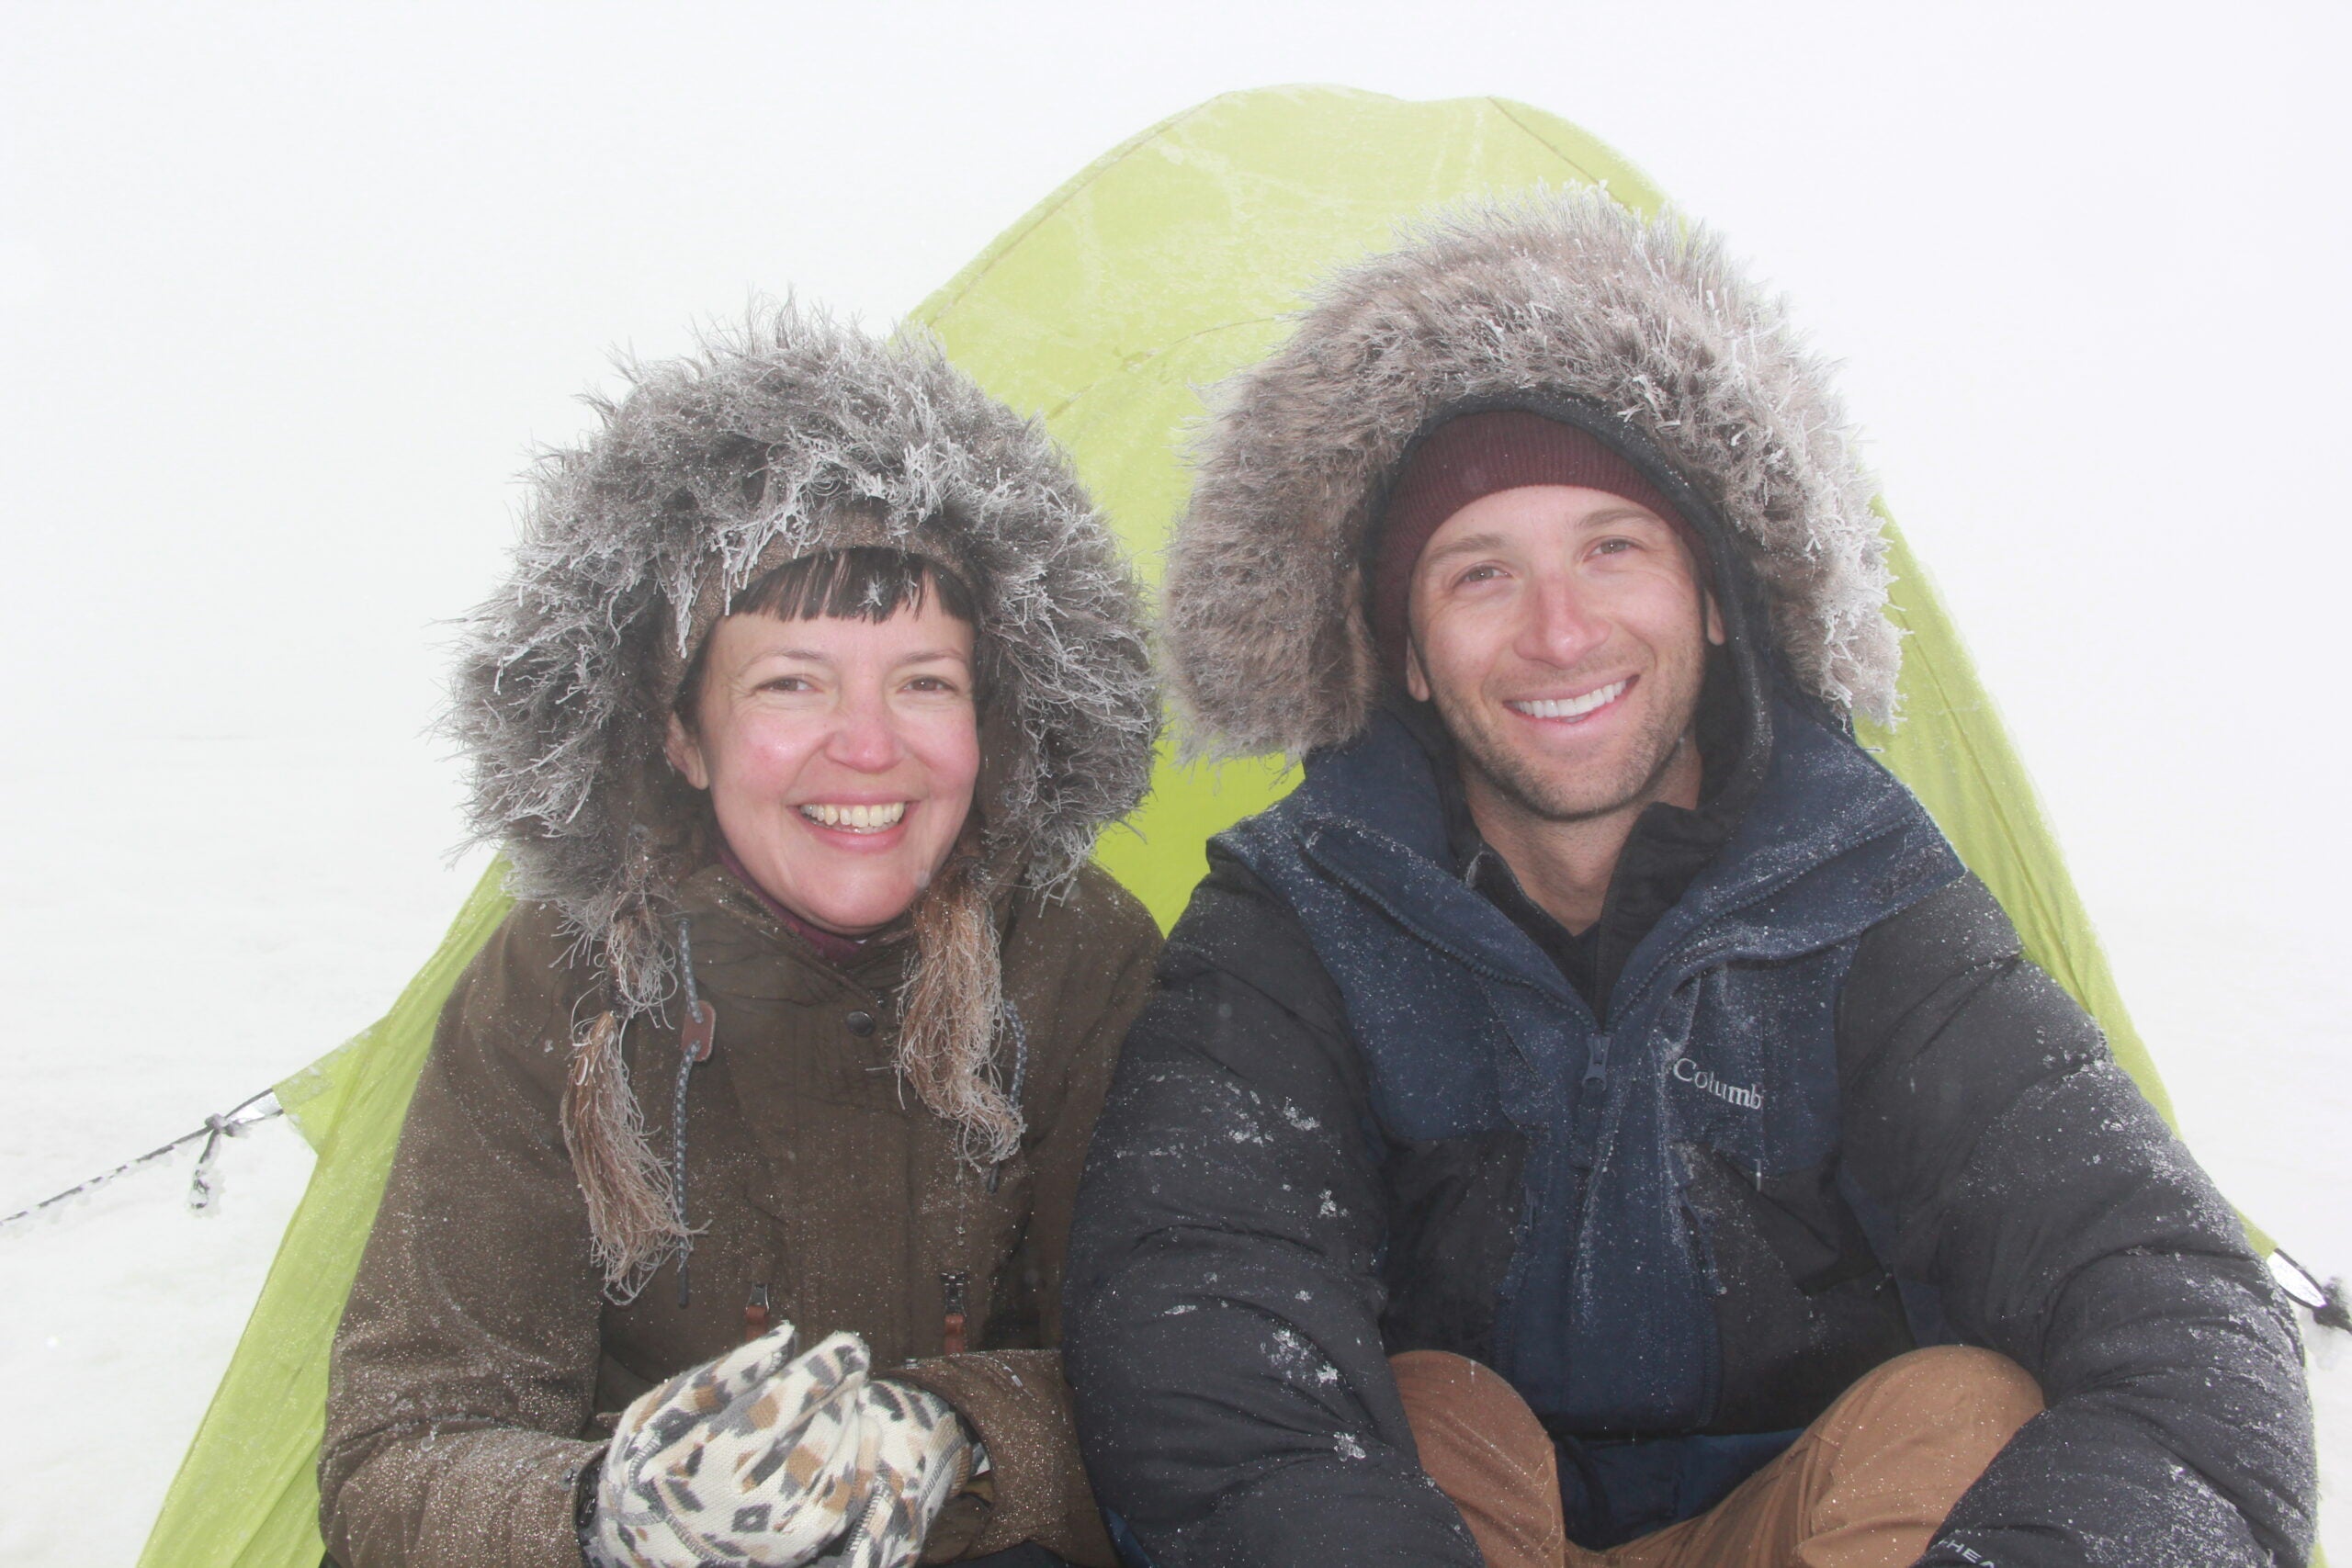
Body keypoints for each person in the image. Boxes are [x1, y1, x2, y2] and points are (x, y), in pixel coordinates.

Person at [1062, 194, 2317, 1567]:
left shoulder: (1868, 897)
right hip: (1451, 1533)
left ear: (1715, 600)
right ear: (1407, 654)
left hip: (1806, 1531)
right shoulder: (1294, 922)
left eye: (1614, 546)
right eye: (1480, 573)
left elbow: (2174, 1307)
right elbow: (1203, 1322)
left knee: (1960, 1419)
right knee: (1429, 1411)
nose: (1559, 630)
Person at [321, 307, 1162, 1568]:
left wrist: (952, 1440)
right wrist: (610, 1510)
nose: (868, 748)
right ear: (681, 733)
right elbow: (408, 1448)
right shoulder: (556, 987)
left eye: (924, 681)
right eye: (791, 682)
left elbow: (1175, 1360)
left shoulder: (1079, 957)